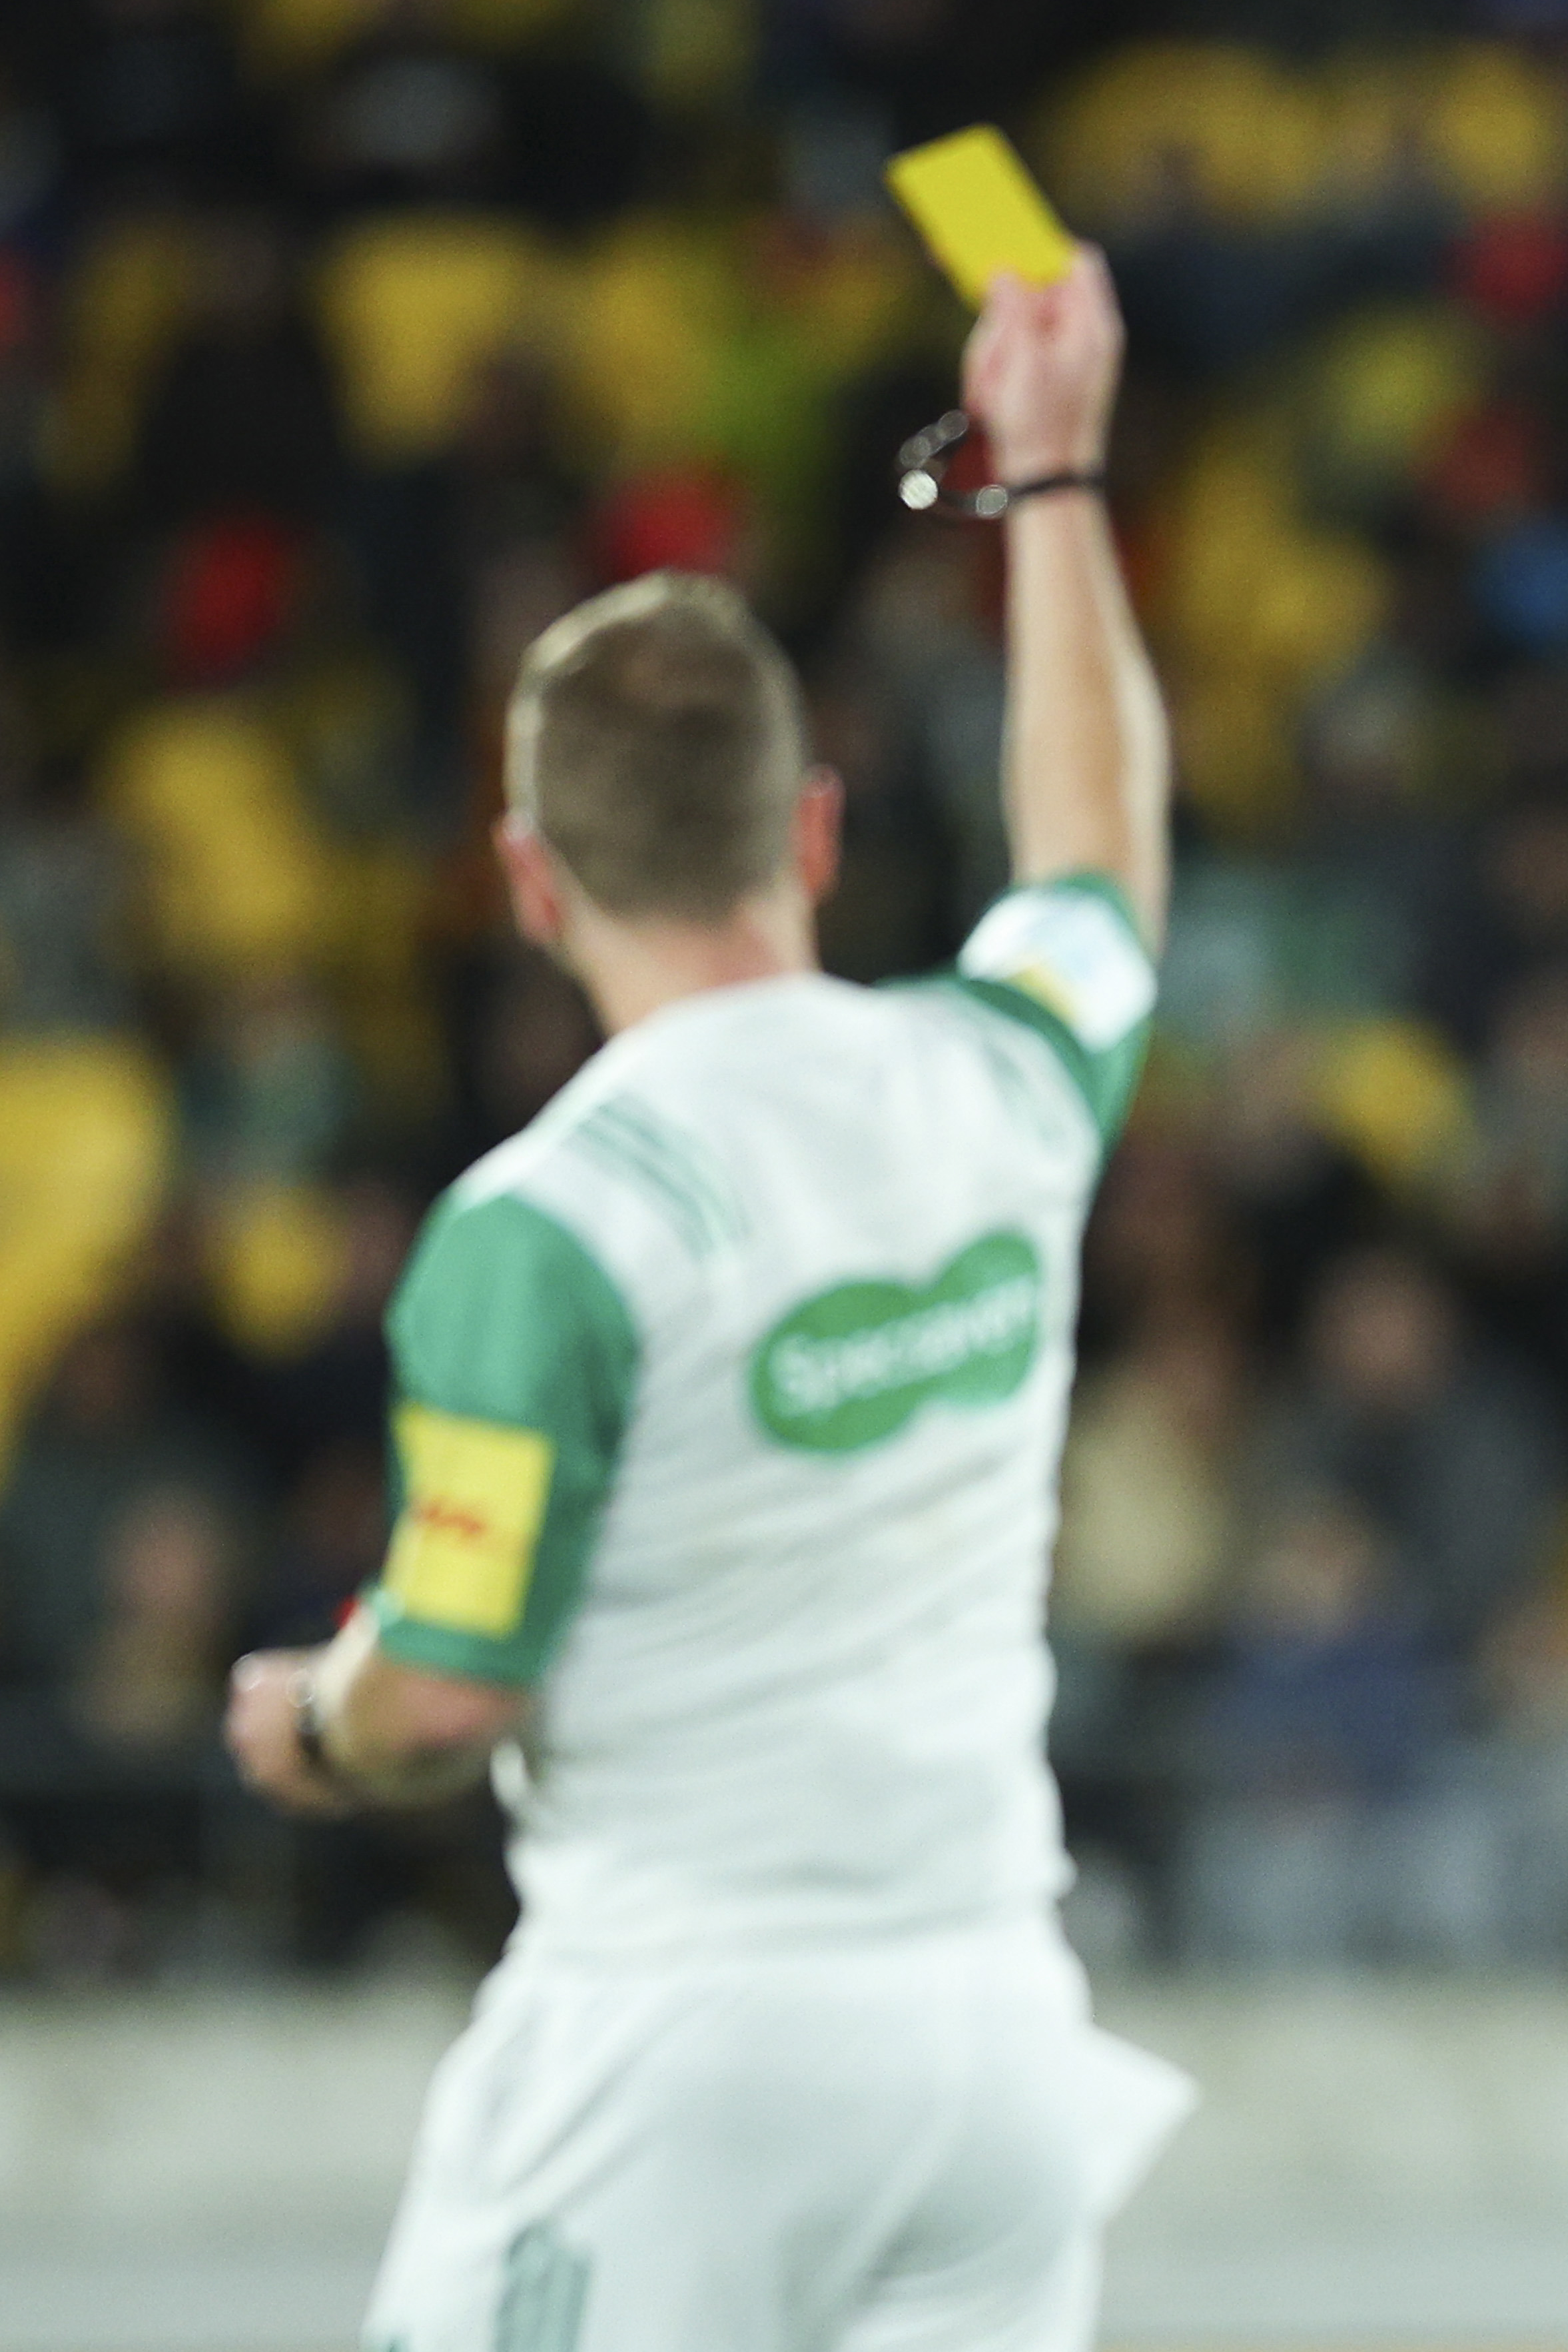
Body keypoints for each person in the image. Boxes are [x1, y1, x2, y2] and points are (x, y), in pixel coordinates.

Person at [220, 249, 1192, 2352]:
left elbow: (456, 1680)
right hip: (996, 2040)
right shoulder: (994, 1080)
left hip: (689, 2056)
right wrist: (1056, 481)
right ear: (814, 832)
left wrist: (314, 1715)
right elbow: (1102, 858)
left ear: (528, 879)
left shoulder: (541, 1228)